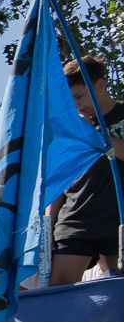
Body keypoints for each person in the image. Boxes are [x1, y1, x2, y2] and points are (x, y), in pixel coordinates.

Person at [50, 55, 124, 284]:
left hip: (118, 219)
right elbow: (59, 179)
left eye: (79, 96)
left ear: (100, 85)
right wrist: (46, 226)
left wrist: (93, 134)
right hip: (76, 219)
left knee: (117, 294)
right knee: (58, 291)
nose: (76, 105)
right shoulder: (69, 128)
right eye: (69, 100)